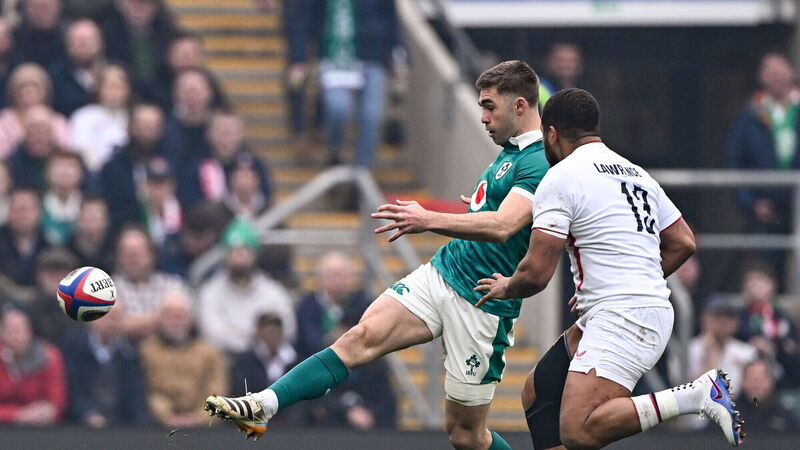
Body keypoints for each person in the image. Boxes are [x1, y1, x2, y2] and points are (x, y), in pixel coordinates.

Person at [206, 60, 548, 449]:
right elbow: (500, 216)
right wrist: (475, 210)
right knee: (361, 337)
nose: (483, 117)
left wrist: (428, 218)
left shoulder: (538, 160)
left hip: (482, 303)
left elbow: (504, 226)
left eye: (489, 107)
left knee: (466, 436)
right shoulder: (510, 150)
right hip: (444, 272)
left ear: (520, 106)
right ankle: (262, 405)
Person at [472, 88, 741, 449]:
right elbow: (683, 242)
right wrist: (631, 280)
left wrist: (506, 286)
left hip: (624, 315)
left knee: (578, 430)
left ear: (551, 133)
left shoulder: (562, 176)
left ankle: (695, 396)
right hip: (630, 309)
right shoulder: (636, 173)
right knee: (540, 393)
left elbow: (536, 273)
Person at [727, 53, 800, 279]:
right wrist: (751, 203)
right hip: (766, 210)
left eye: (780, 71)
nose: (776, 78)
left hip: (797, 202)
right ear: (761, 78)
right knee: (766, 270)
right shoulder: (749, 115)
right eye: (770, 73)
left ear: (792, 73)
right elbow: (735, 163)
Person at [198, 218, 296, 354]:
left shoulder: (273, 292)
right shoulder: (210, 292)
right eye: (234, 251)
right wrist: (253, 337)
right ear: (225, 255)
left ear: (255, 254)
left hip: (265, 359)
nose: (239, 257)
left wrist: (238, 333)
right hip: (226, 359)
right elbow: (212, 335)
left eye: (244, 251)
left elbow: (287, 329)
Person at [139, 289, 228, 428]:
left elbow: (218, 394)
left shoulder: (211, 353)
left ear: (192, 319)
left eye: (180, 316)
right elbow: (145, 392)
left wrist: (197, 418)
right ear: (160, 319)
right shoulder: (146, 352)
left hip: (204, 429)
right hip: (156, 426)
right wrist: (166, 415)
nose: (175, 322)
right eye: (169, 316)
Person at [63, 305, 149, 427]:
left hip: (121, 425)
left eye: (116, 317)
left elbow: (136, 396)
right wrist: (87, 414)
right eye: (106, 316)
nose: (111, 322)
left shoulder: (129, 353)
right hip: (80, 424)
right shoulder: (74, 347)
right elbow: (72, 388)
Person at [112, 225, 189, 340]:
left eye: (138, 253)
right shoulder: (108, 288)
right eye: (128, 254)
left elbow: (184, 319)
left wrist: (132, 323)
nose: (133, 260)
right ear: (119, 257)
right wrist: (160, 319)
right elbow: (113, 326)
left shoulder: (172, 284)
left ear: (151, 254)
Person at [99, 103, 165, 231]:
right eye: (142, 126)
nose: (146, 132)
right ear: (130, 127)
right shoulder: (113, 167)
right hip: (124, 229)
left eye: (152, 127)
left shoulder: (170, 161)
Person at [736, 261, 800, 388]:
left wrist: (774, 348)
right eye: (750, 281)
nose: (755, 285)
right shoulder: (736, 319)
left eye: (760, 280)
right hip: (743, 381)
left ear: (772, 285)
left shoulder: (784, 319)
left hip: (782, 381)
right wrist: (749, 347)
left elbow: (793, 354)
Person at [0, 306, 66, 425]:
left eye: (18, 331)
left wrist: (47, 411)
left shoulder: (49, 357)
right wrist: (18, 414)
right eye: (10, 331)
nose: (15, 336)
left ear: (30, 332)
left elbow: (57, 402)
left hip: (38, 427)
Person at [688, 297, 758, 400]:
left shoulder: (747, 352)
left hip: (737, 405)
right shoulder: (690, 349)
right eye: (717, 316)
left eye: (728, 317)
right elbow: (689, 390)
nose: (723, 321)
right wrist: (711, 353)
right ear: (704, 318)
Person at [68, 64, 132, 173]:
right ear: (99, 88)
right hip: (94, 174)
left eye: (119, 86)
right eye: (109, 86)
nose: (114, 92)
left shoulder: (134, 117)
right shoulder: (83, 116)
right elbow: (82, 150)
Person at [0, 63, 70, 159]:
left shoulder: (58, 121)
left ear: (45, 90)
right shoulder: (4, 122)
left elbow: (66, 152)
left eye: (34, 86)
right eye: (22, 86)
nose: (28, 91)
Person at [48, 18, 106, 116]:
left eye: (88, 39)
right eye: (77, 40)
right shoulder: (55, 76)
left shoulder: (113, 73)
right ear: (68, 44)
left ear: (100, 42)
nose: (83, 44)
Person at [0, 187, 51, 287]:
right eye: (15, 209)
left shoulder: (48, 245)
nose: (21, 215)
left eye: (25, 210)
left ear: (39, 212)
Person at [735, 358, 797, 432]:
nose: (756, 384)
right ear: (742, 381)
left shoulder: (784, 416)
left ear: (771, 381)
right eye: (751, 378)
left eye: (762, 379)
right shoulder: (729, 415)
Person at [41, 151, 84, 246]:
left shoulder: (87, 205)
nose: (64, 171)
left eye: (71, 166)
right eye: (58, 166)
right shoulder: (38, 205)